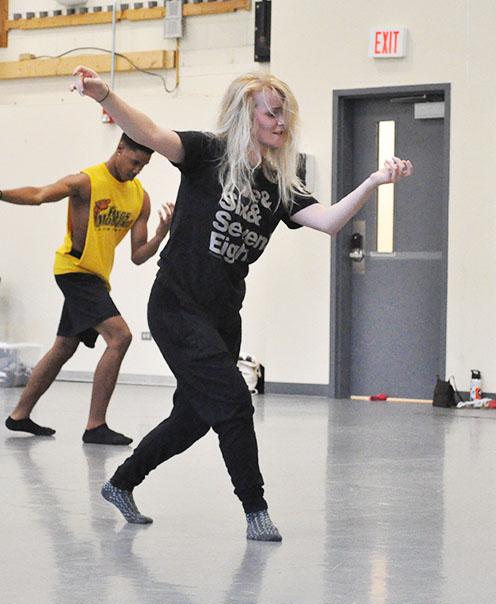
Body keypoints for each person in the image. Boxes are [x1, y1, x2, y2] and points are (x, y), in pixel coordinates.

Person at [71, 66, 413, 540]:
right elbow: (147, 131)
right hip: (175, 305)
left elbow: (332, 221)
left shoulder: (279, 184)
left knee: (192, 418)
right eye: (272, 113)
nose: (280, 122)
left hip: (223, 316)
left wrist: (374, 181)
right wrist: (103, 93)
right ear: (245, 114)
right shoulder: (207, 153)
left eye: (284, 115)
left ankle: (121, 482)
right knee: (233, 402)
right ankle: (255, 511)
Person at [0, 134, 174, 445]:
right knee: (120, 336)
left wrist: (159, 235)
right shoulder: (86, 182)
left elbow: (138, 255)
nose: (136, 170)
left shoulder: (140, 198)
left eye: (142, 166)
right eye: (133, 162)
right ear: (119, 149)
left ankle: (19, 415)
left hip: (97, 278)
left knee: (64, 347)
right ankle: (95, 426)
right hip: (73, 271)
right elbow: (39, 194)